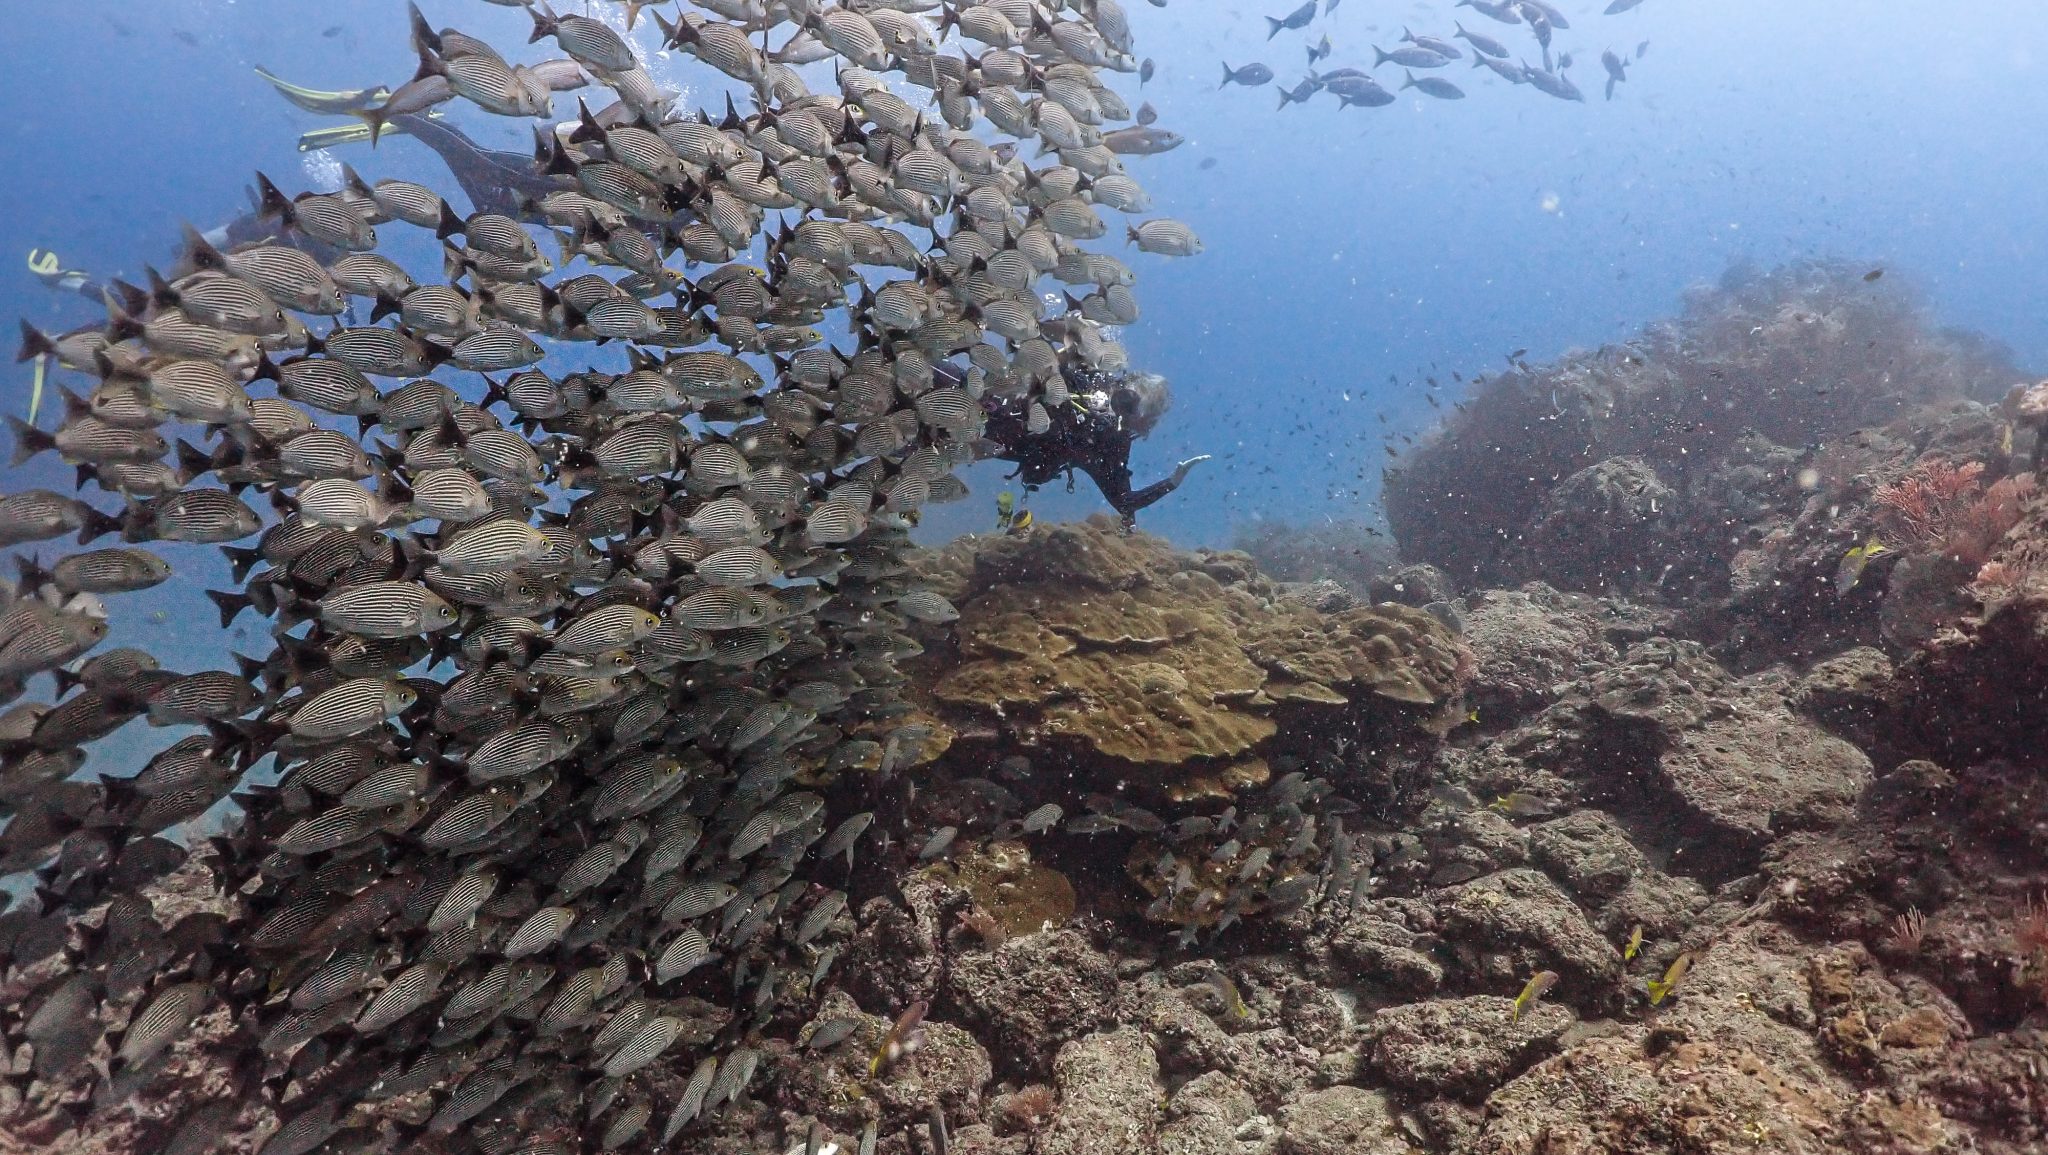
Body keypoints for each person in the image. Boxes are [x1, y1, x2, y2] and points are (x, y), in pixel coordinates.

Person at [974, 361, 1208, 529]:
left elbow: (1125, 502)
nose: (1149, 428)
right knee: (956, 388)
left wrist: (1171, 482)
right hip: (987, 404)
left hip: (989, 442)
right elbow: (1043, 359)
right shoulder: (1086, 379)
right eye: (1151, 417)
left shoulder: (1113, 445)